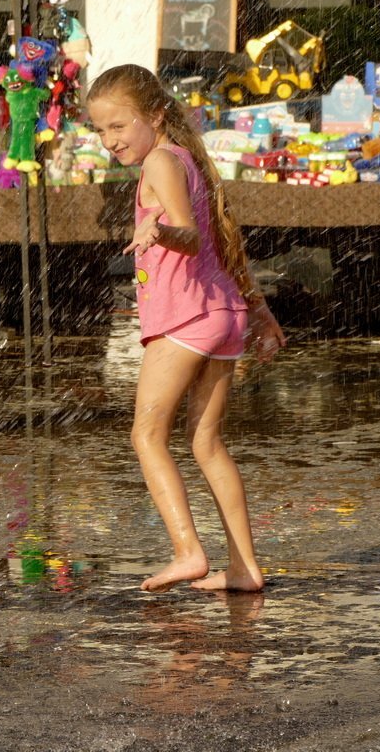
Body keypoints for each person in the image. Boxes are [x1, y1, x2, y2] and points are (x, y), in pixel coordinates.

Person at [85, 64, 287, 593]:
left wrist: (160, 232)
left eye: (118, 127)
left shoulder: (159, 161)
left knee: (146, 434)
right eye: (100, 131)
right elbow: (224, 243)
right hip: (223, 314)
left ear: (154, 115)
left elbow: (193, 237)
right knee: (206, 442)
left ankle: (187, 551)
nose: (110, 141)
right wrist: (259, 310)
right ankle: (243, 568)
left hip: (187, 317)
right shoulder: (186, 158)